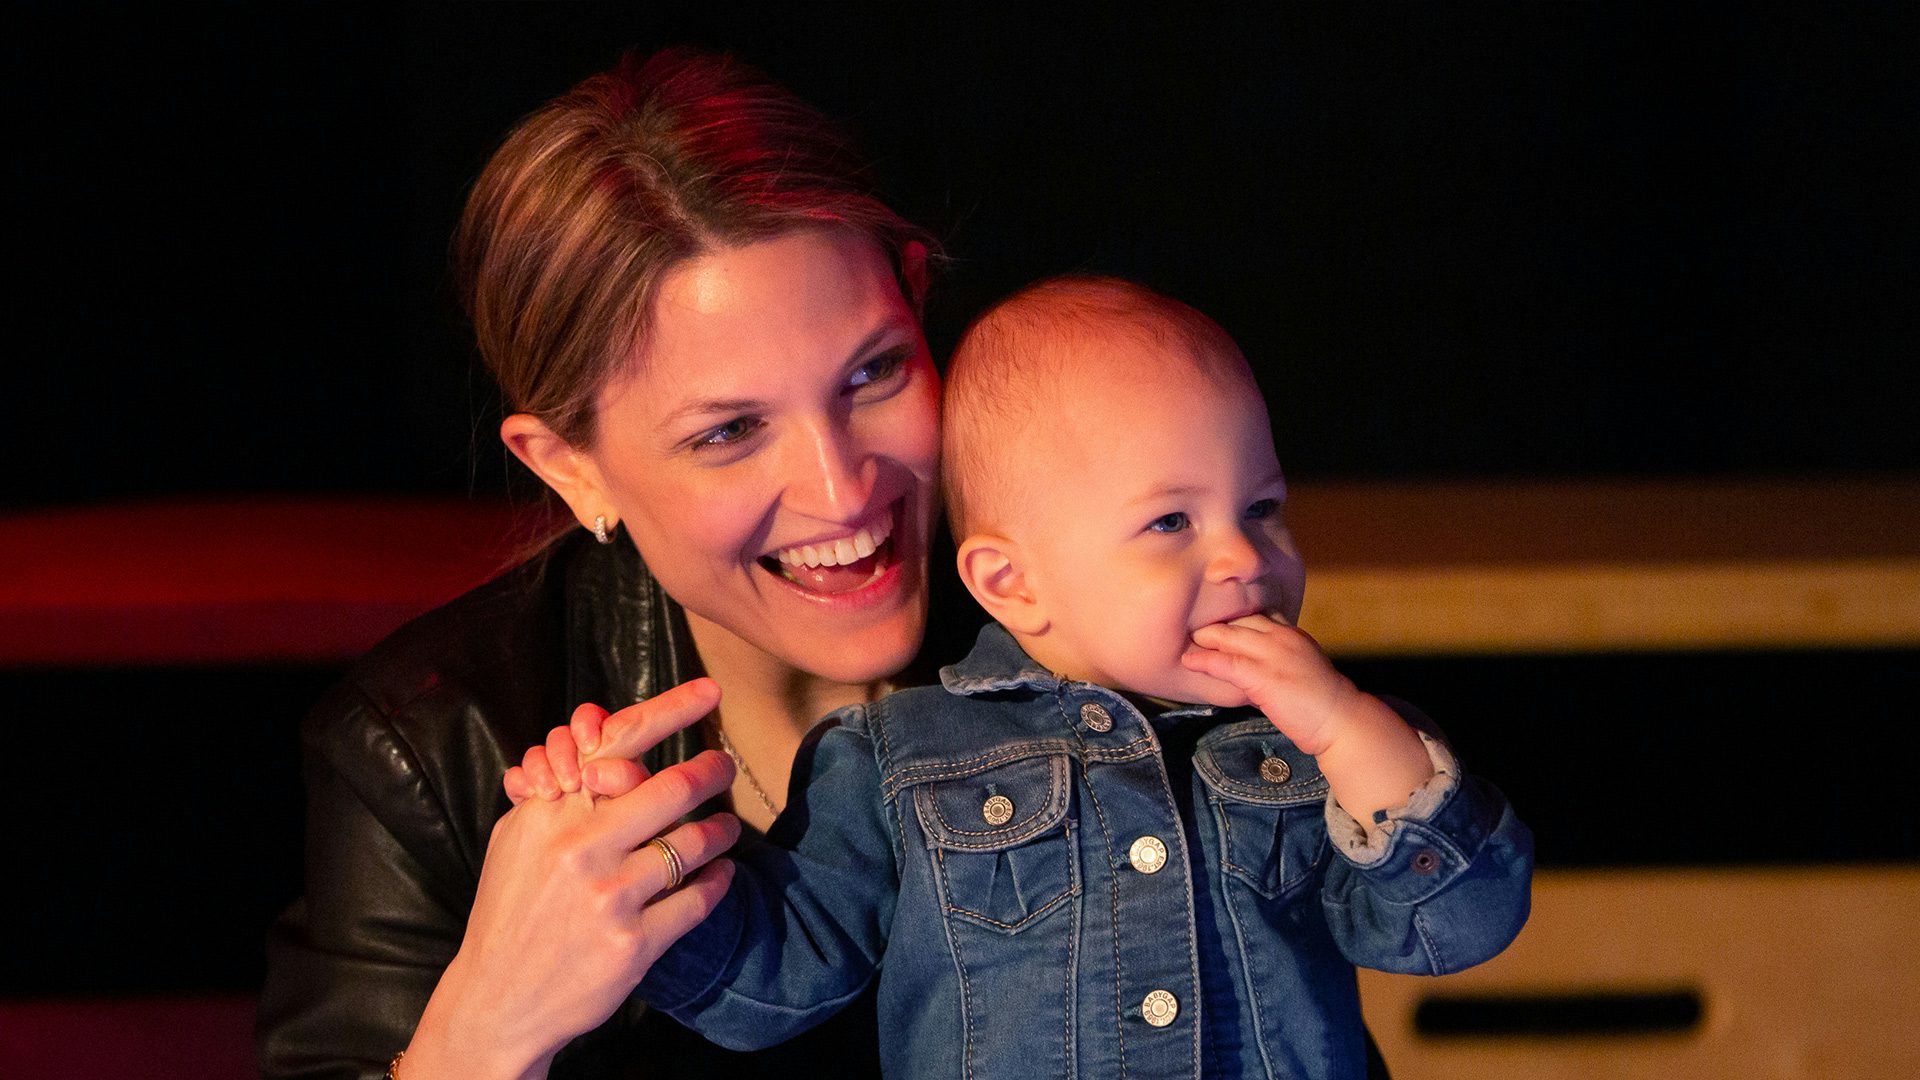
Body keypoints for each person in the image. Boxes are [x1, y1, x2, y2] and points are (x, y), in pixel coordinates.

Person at [524, 276, 1534, 1078]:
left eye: (1262, 508)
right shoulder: (902, 760)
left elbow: (1450, 929)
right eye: (1172, 523)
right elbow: (776, 981)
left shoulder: (1315, 753)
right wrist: (639, 846)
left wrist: (1355, 737)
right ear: (1013, 583)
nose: (1244, 560)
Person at [256, 47, 952, 1080]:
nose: (844, 488)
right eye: (730, 432)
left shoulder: (1107, 628)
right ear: (572, 468)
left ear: (916, 301)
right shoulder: (432, 748)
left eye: (873, 371)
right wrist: (485, 1032)